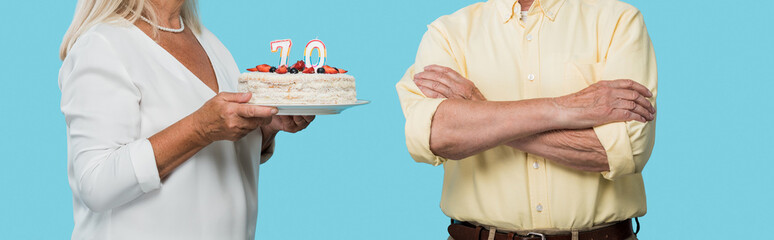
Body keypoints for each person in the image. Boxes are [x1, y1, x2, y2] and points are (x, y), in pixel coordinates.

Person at [396, 0, 657, 239]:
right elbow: (437, 134)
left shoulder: (619, 21)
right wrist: (564, 108)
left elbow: (624, 150)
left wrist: (480, 111)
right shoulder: (447, 34)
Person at [58, 0, 314, 239]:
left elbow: (219, 153)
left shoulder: (209, 43)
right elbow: (96, 183)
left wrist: (265, 129)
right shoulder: (103, 45)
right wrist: (199, 129)